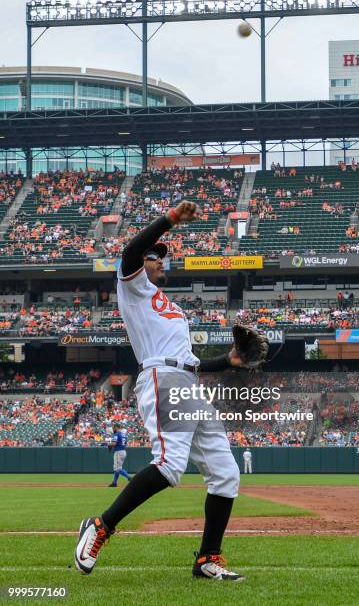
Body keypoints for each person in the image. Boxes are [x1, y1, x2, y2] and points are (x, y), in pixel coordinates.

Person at [74, 201, 246, 581]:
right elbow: (131, 251)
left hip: (187, 383)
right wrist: (168, 221)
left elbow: (190, 361)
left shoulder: (168, 305)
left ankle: (207, 559)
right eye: (154, 257)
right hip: (160, 378)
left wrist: (227, 362)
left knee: (226, 473)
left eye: (161, 257)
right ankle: (100, 526)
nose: (159, 260)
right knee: (169, 466)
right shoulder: (132, 285)